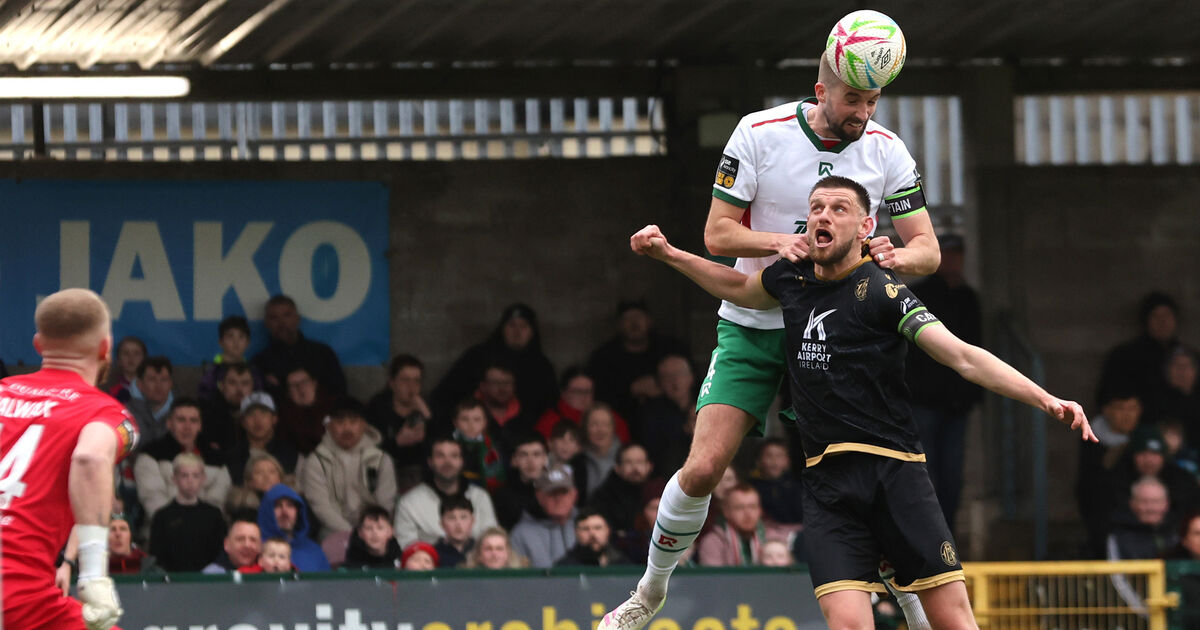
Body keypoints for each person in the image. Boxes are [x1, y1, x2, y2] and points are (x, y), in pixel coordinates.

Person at [613, 176, 1096, 630]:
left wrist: (1046, 398)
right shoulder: (790, 277)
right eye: (816, 208)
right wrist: (671, 254)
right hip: (828, 488)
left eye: (839, 209)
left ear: (866, 227)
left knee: (954, 623)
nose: (824, 216)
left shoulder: (884, 291)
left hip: (897, 476)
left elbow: (963, 358)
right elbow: (738, 288)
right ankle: (650, 590)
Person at [599, 51, 944, 630]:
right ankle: (649, 593)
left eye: (872, 101)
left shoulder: (888, 150)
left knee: (860, 473)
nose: (863, 112)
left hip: (841, 330)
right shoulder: (758, 132)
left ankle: (912, 605)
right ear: (821, 91)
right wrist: (775, 243)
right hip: (755, 322)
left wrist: (896, 253)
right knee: (705, 467)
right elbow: (717, 233)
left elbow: (927, 249)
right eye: (852, 99)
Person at [1, 288, 136, 630]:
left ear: (38, 344)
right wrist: (93, 577)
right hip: (18, 595)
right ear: (106, 347)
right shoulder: (105, 413)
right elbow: (90, 460)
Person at [904, 234, 982, 535]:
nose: (952, 260)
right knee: (925, 471)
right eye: (947, 254)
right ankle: (928, 536)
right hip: (923, 401)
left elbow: (975, 347)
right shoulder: (918, 294)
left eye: (956, 254)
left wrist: (971, 395)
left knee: (952, 474)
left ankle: (946, 536)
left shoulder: (968, 298)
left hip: (957, 404)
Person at [432, 303, 558, 424]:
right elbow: (447, 394)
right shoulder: (478, 356)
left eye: (523, 326)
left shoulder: (542, 366)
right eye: (512, 325)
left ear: (531, 332)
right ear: (502, 329)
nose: (517, 332)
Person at [300, 398, 397, 540]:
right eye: (340, 422)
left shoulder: (381, 459)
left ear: (364, 424)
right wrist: (354, 535)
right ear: (329, 426)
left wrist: (371, 530)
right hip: (334, 531)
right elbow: (322, 508)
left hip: (375, 529)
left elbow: (385, 503)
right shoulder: (316, 462)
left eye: (353, 422)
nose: (347, 428)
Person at [587, 300, 691, 421]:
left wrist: (662, 385)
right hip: (620, 422)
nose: (634, 323)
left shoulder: (669, 348)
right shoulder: (604, 357)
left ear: (649, 321)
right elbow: (599, 397)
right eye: (628, 318)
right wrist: (631, 390)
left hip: (669, 419)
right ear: (619, 324)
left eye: (639, 317)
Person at [133, 398, 233, 522]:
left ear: (200, 425)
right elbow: (153, 499)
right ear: (169, 423)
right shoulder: (151, 455)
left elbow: (218, 501)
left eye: (193, 421)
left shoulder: (217, 460)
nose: (187, 426)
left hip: (206, 531)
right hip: (165, 530)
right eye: (181, 420)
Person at [393, 436, 499, 546]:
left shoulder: (480, 497)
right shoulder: (409, 502)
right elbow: (405, 547)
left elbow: (493, 541)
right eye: (440, 456)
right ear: (430, 462)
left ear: (462, 461)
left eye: (454, 456)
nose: (447, 462)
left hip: (476, 562)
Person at [1096, 292, 1183, 408]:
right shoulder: (1125, 356)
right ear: (1146, 320)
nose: (1163, 322)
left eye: (1167, 315)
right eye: (1156, 316)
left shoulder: (1186, 357)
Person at [252, 294, 347, 398]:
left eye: (287, 315)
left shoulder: (322, 353)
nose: (281, 322)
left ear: (297, 318)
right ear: (266, 323)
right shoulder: (260, 362)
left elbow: (340, 392)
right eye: (274, 318)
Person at [148, 453, 228, 572]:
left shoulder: (214, 515)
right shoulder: (162, 516)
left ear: (203, 479)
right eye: (184, 476)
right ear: (174, 479)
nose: (190, 481)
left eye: (195, 476)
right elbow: (157, 556)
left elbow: (221, 551)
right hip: (173, 581)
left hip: (208, 580)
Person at [367, 353, 431, 492]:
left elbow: (444, 444)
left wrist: (428, 418)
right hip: (387, 473)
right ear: (392, 383)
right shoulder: (378, 408)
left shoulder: (428, 407)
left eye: (416, 381)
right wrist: (397, 442)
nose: (411, 387)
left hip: (422, 474)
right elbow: (368, 452)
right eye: (405, 380)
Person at [695, 483, 789, 566]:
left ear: (760, 510)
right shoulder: (713, 542)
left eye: (752, 507)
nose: (748, 514)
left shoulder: (775, 538)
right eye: (739, 508)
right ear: (726, 512)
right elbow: (712, 581)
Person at [635, 353, 697, 475]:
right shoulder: (651, 415)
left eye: (679, 374)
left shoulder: (706, 404)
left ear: (691, 377)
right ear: (659, 383)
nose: (674, 381)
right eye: (667, 376)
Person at [535, 367, 633, 443]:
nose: (584, 396)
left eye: (588, 391)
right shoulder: (549, 421)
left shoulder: (609, 417)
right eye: (577, 391)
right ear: (563, 393)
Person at [510, 463, 580, 568]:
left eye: (563, 493)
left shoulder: (588, 525)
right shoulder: (521, 533)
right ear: (539, 496)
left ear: (574, 495)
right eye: (552, 493)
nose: (558, 499)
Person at [224, 392, 300, 486]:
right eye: (251, 414)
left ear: (274, 419)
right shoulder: (233, 457)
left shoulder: (290, 453)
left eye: (263, 413)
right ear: (243, 422)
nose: (258, 420)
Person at [258, 483, 330, 571]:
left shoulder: (314, 551)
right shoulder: (255, 548)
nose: (285, 512)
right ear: (267, 511)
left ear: (299, 511)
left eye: (290, 505)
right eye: (278, 505)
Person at [589, 443, 656, 538]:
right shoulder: (604, 497)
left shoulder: (658, 491)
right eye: (628, 462)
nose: (635, 468)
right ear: (617, 468)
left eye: (640, 462)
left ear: (649, 466)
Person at [198, 315, 264, 401]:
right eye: (230, 336)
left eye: (241, 337)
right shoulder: (212, 372)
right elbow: (204, 397)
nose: (236, 342)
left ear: (248, 342)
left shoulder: (254, 372)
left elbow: (260, 398)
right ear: (221, 342)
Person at [493, 432, 550, 530]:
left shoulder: (558, 490)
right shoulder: (503, 496)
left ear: (545, 458)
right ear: (514, 460)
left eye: (536, 454)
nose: (531, 461)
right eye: (524, 455)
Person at [197, 361, 257, 453]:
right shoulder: (204, 413)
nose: (239, 389)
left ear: (252, 387)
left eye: (245, 383)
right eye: (232, 383)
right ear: (221, 386)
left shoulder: (260, 414)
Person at [277, 366, 337, 454]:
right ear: (288, 393)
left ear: (314, 383)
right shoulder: (283, 415)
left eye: (304, 382)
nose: (300, 388)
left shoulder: (334, 405)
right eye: (294, 385)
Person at [451, 398, 506, 492]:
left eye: (477, 420)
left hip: (485, 490)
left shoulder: (492, 446)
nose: (471, 425)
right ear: (455, 422)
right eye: (464, 419)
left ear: (485, 422)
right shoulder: (449, 443)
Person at [747, 438, 804, 526]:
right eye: (769, 456)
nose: (774, 461)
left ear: (787, 461)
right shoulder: (751, 488)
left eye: (779, 456)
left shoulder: (796, 487)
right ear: (758, 461)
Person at [123, 356, 176, 444]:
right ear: (140, 384)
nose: (158, 385)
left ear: (170, 383)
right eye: (152, 379)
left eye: (164, 380)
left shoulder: (183, 411)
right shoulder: (127, 413)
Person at [556, 509, 631, 567]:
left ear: (608, 531)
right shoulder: (566, 567)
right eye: (585, 529)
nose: (592, 534)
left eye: (598, 528)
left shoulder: (623, 565)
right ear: (576, 532)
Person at [343, 504, 403, 569]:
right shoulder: (352, 564)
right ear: (360, 533)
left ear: (391, 532)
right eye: (368, 528)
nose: (374, 533)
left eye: (380, 528)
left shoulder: (402, 560)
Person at [433, 495, 477, 568]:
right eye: (451, 518)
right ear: (442, 524)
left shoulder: (482, 551)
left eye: (463, 517)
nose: (458, 524)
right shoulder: (434, 554)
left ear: (472, 521)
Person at [103, 335, 146, 400]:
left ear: (144, 358)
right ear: (118, 359)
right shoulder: (108, 388)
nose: (131, 358)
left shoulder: (151, 387)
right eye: (126, 353)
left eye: (136, 353)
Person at [463, 527, 530, 569]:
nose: (494, 554)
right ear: (478, 554)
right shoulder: (465, 580)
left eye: (499, 549)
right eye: (488, 549)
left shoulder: (522, 578)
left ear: (508, 553)